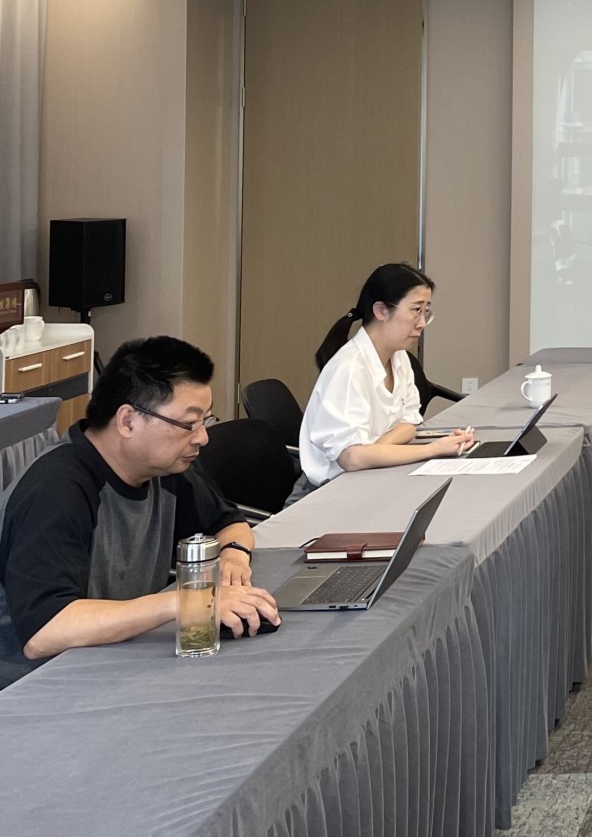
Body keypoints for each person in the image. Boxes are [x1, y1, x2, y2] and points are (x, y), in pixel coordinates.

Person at [0, 337, 279, 688]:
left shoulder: (164, 469)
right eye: (189, 424)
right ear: (128, 421)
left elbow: (228, 523)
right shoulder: (56, 489)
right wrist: (186, 601)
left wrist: (234, 558)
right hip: (34, 688)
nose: (202, 438)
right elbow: (45, 631)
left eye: (205, 421)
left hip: (113, 663)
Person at [298, 263, 474, 492]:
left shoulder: (399, 357)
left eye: (426, 312)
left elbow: (409, 423)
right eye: (416, 310)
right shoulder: (349, 368)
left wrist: (375, 451)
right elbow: (352, 459)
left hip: (367, 474)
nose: (422, 323)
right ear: (381, 311)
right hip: (328, 489)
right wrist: (432, 449)